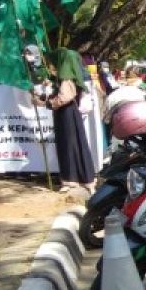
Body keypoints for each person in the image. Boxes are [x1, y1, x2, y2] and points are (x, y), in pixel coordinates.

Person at [37, 49, 97, 193]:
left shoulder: (66, 77)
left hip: (66, 114)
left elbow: (64, 98)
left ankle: (72, 180)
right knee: (75, 144)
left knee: (69, 145)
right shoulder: (68, 76)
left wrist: (45, 103)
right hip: (69, 114)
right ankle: (83, 179)